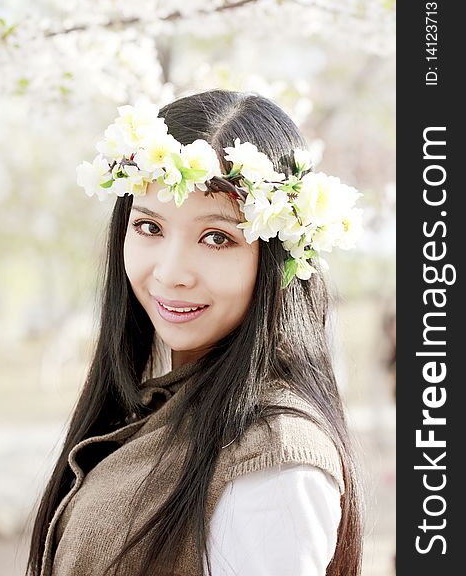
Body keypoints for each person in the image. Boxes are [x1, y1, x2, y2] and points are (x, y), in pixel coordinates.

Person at [26, 89, 364, 575]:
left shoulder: (275, 462)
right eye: (149, 227)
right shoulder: (167, 405)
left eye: (217, 237)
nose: (171, 272)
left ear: (274, 260)